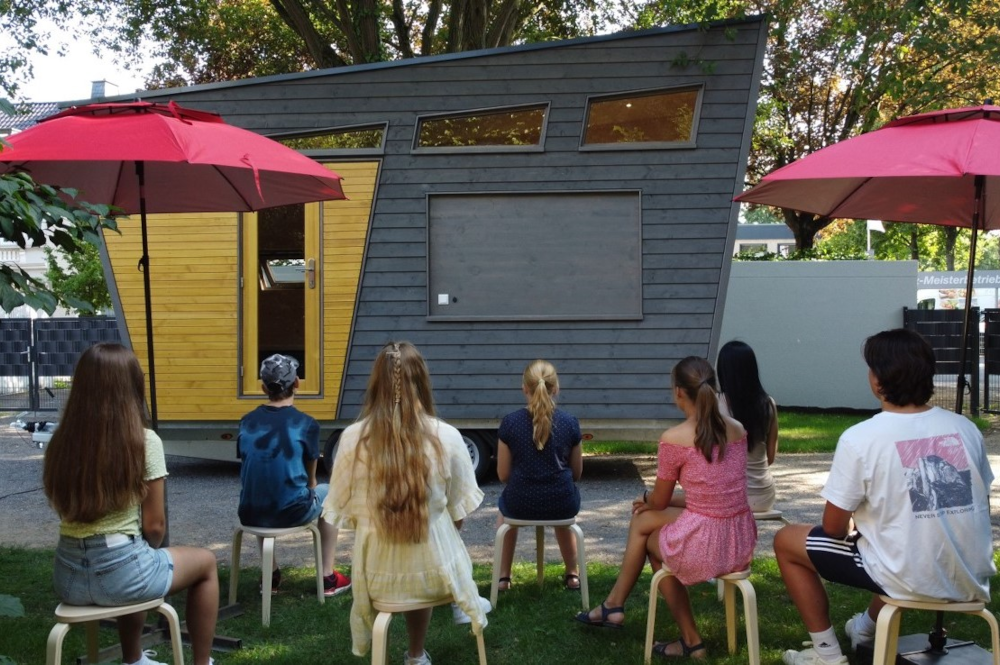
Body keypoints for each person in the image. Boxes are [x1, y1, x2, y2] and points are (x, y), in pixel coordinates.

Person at [774, 328, 996, 665]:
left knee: (786, 540)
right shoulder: (966, 428)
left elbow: (833, 528)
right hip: (971, 575)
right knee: (895, 543)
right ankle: (864, 628)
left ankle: (826, 655)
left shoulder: (860, 437)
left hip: (910, 575)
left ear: (879, 380)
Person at [42, 343, 219, 665]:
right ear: (132, 385)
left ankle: (135, 658)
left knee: (135, 559)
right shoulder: (144, 441)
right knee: (204, 562)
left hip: (68, 578)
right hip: (122, 571)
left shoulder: (61, 440)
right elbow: (154, 526)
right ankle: (201, 662)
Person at [576, 356, 757, 659]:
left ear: (678, 392)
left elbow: (657, 502)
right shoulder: (737, 430)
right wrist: (654, 503)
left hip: (709, 542)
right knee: (645, 524)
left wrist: (646, 499)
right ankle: (615, 606)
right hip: (738, 540)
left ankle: (625, 611)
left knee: (649, 536)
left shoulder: (675, 438)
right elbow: (714, 495)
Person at [322, 341, 491, 665]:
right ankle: (418, 652)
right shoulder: (448, 437)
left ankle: (417, 649)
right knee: (439, 540)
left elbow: (347, 515)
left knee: (415, 553)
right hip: (436, 572)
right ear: (422, 382)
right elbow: (459, 513)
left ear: (375, 383)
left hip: (376, 576)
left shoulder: (352, 439)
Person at [237, 353, 351, 597]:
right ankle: (328, 576)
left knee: (262, 492)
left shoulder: (246, 422)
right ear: (297, 383)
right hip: (291, 512)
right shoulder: (306, 423)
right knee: (332, 493)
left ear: (262, 386)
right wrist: (310, 484)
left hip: (249, 512)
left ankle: (271, 574)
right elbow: (311, 480)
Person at [494, 359, 583, 591]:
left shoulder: (510, 423)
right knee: (563, 511)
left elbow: (503, 474)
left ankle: (503, 577)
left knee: (505, 514)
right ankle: (573, 574)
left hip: (520, 503)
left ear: (525, 388)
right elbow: (577, 473)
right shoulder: (570, 423)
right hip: (561, 502)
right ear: (556, 388)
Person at [717, 340, 779, 512]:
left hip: (732, 496)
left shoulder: (715, 404)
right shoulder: (768, 404)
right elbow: (770, 456)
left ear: (723, 370)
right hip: (765, 495)